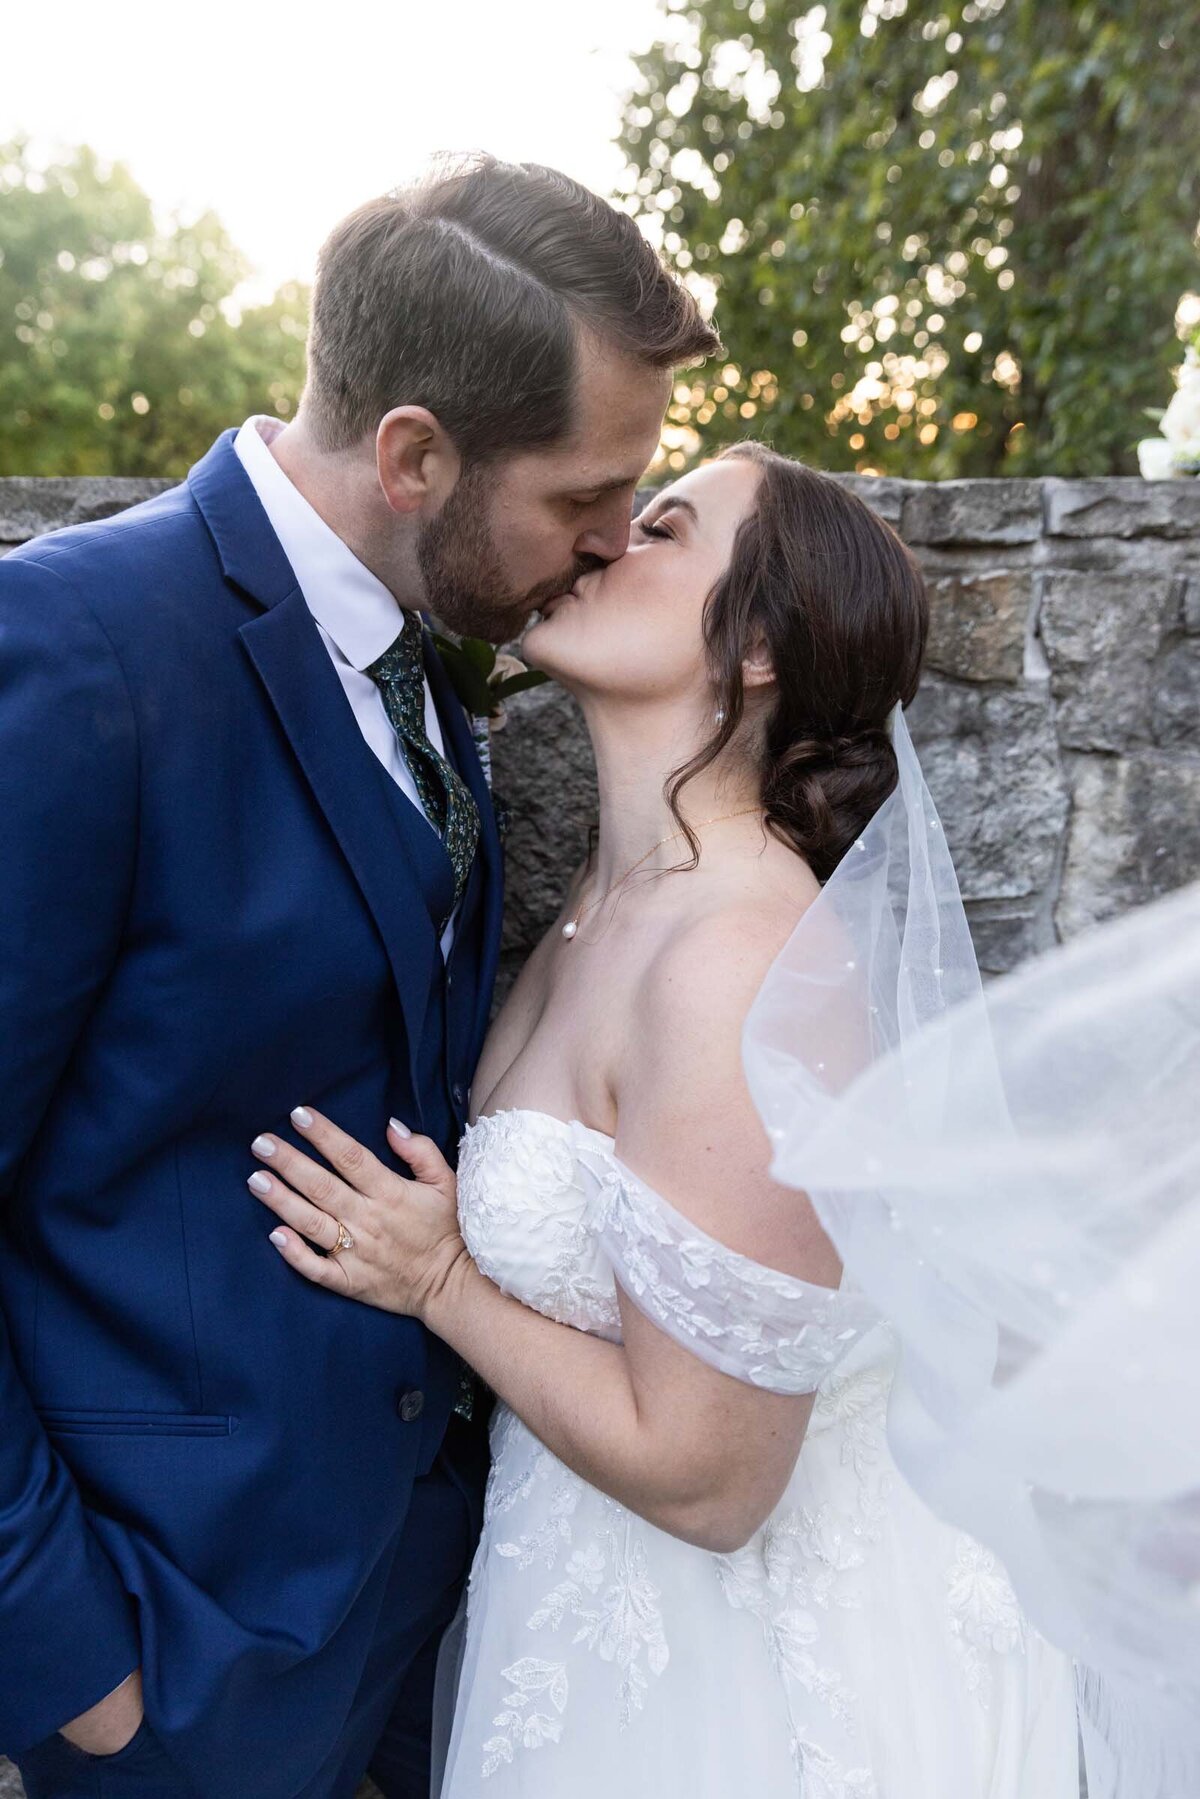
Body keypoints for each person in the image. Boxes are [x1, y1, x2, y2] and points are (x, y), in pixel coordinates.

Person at [0, 154, 717, 1799]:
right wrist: (81, 1670)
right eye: (585, 494)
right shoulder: (73, 653)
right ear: (413, 455)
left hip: (429, 1627)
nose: (615, 541)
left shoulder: (430, 666)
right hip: (176, 1657)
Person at [250, 445, 1082, 1797]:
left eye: (664, 527)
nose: (602, 539)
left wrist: (442, 1276)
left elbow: (713, 1481)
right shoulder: (598, 907)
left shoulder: (738, 959)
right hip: (583, 1606)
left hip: (751, 1676)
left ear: (756, 645)